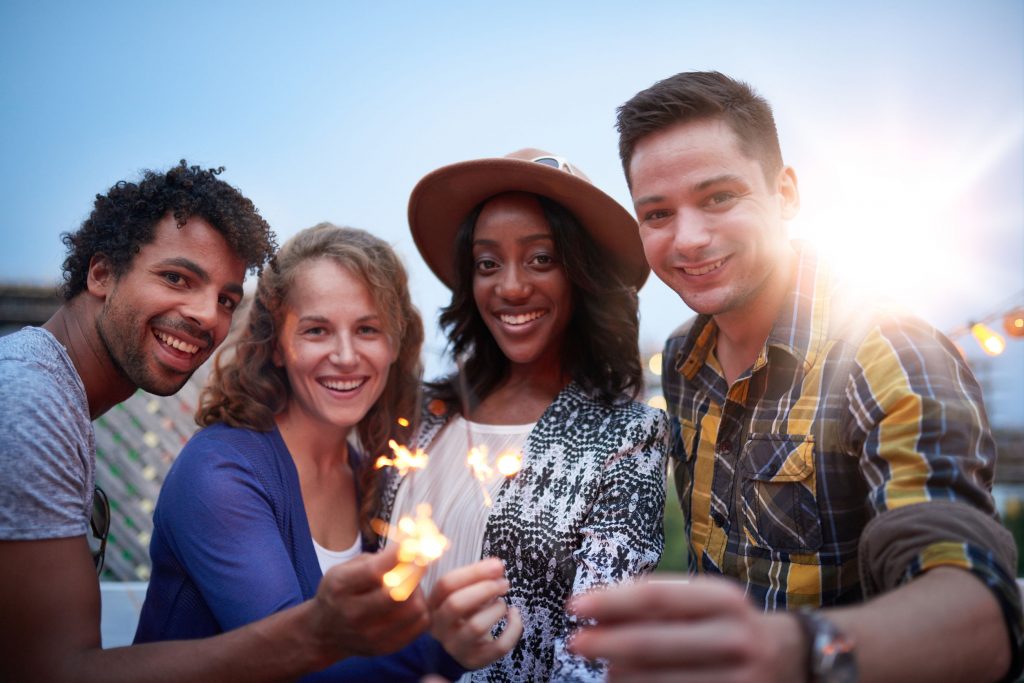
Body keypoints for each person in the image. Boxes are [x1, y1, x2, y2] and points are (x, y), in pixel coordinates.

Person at [569, 72, 1023, 682]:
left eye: (719, 198)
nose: (689, 238)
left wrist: (791, 650)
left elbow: (979, 619)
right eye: (657, 213)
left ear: (785, 194)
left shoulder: (888, 350)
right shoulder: (681, 360)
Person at [0, 162, 435, 682]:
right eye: (176, 278)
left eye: (227, 299)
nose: (208, 315)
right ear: (101, 273)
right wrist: (443, 645)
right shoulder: (27, 401)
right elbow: (54, 672)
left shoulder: (374, 474)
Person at [134, 223, 522, 681]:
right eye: (317, 330)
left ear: (394, 344)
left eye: (367, 329)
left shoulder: (370, 475)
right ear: (277, 346)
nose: (345, 355)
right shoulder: (221, 474)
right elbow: (293, 665)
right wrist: (438, 648)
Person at [382, 148, 670, 681]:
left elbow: (593, 653)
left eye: (541, 259)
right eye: (487, 264)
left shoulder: (630, 435)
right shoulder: (422, 412)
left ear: (583, 275)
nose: (511, 287)